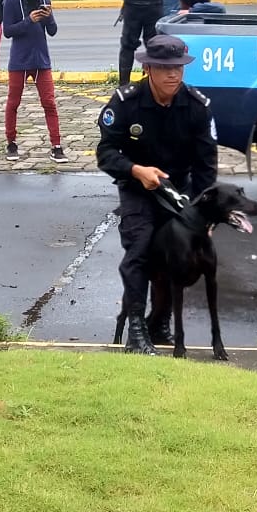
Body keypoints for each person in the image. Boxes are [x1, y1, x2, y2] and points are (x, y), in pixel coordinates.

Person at [96, 34, 218, 354]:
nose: (173, 74)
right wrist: (136, 170)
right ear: (148, 68)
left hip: (178, 190)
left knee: (176, 254)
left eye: (178, 67)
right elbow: (106, 152)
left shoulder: (196, 106)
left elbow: (206, 167)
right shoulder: (126, 102)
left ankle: (159, 321)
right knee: (141, 247)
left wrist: (203, 214)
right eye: (164, 68)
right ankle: (136, 329)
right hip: (138, 187)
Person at [2, 0, 66, 163]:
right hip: (19, 60)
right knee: (13, 103)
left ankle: (56, 145)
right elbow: (8, 31)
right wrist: (29, 20)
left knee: (49, 103)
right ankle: (11, 142)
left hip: (41, 60)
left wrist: (48, 17)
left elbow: (53, 31)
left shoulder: (45, 1)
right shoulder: (12, 2)